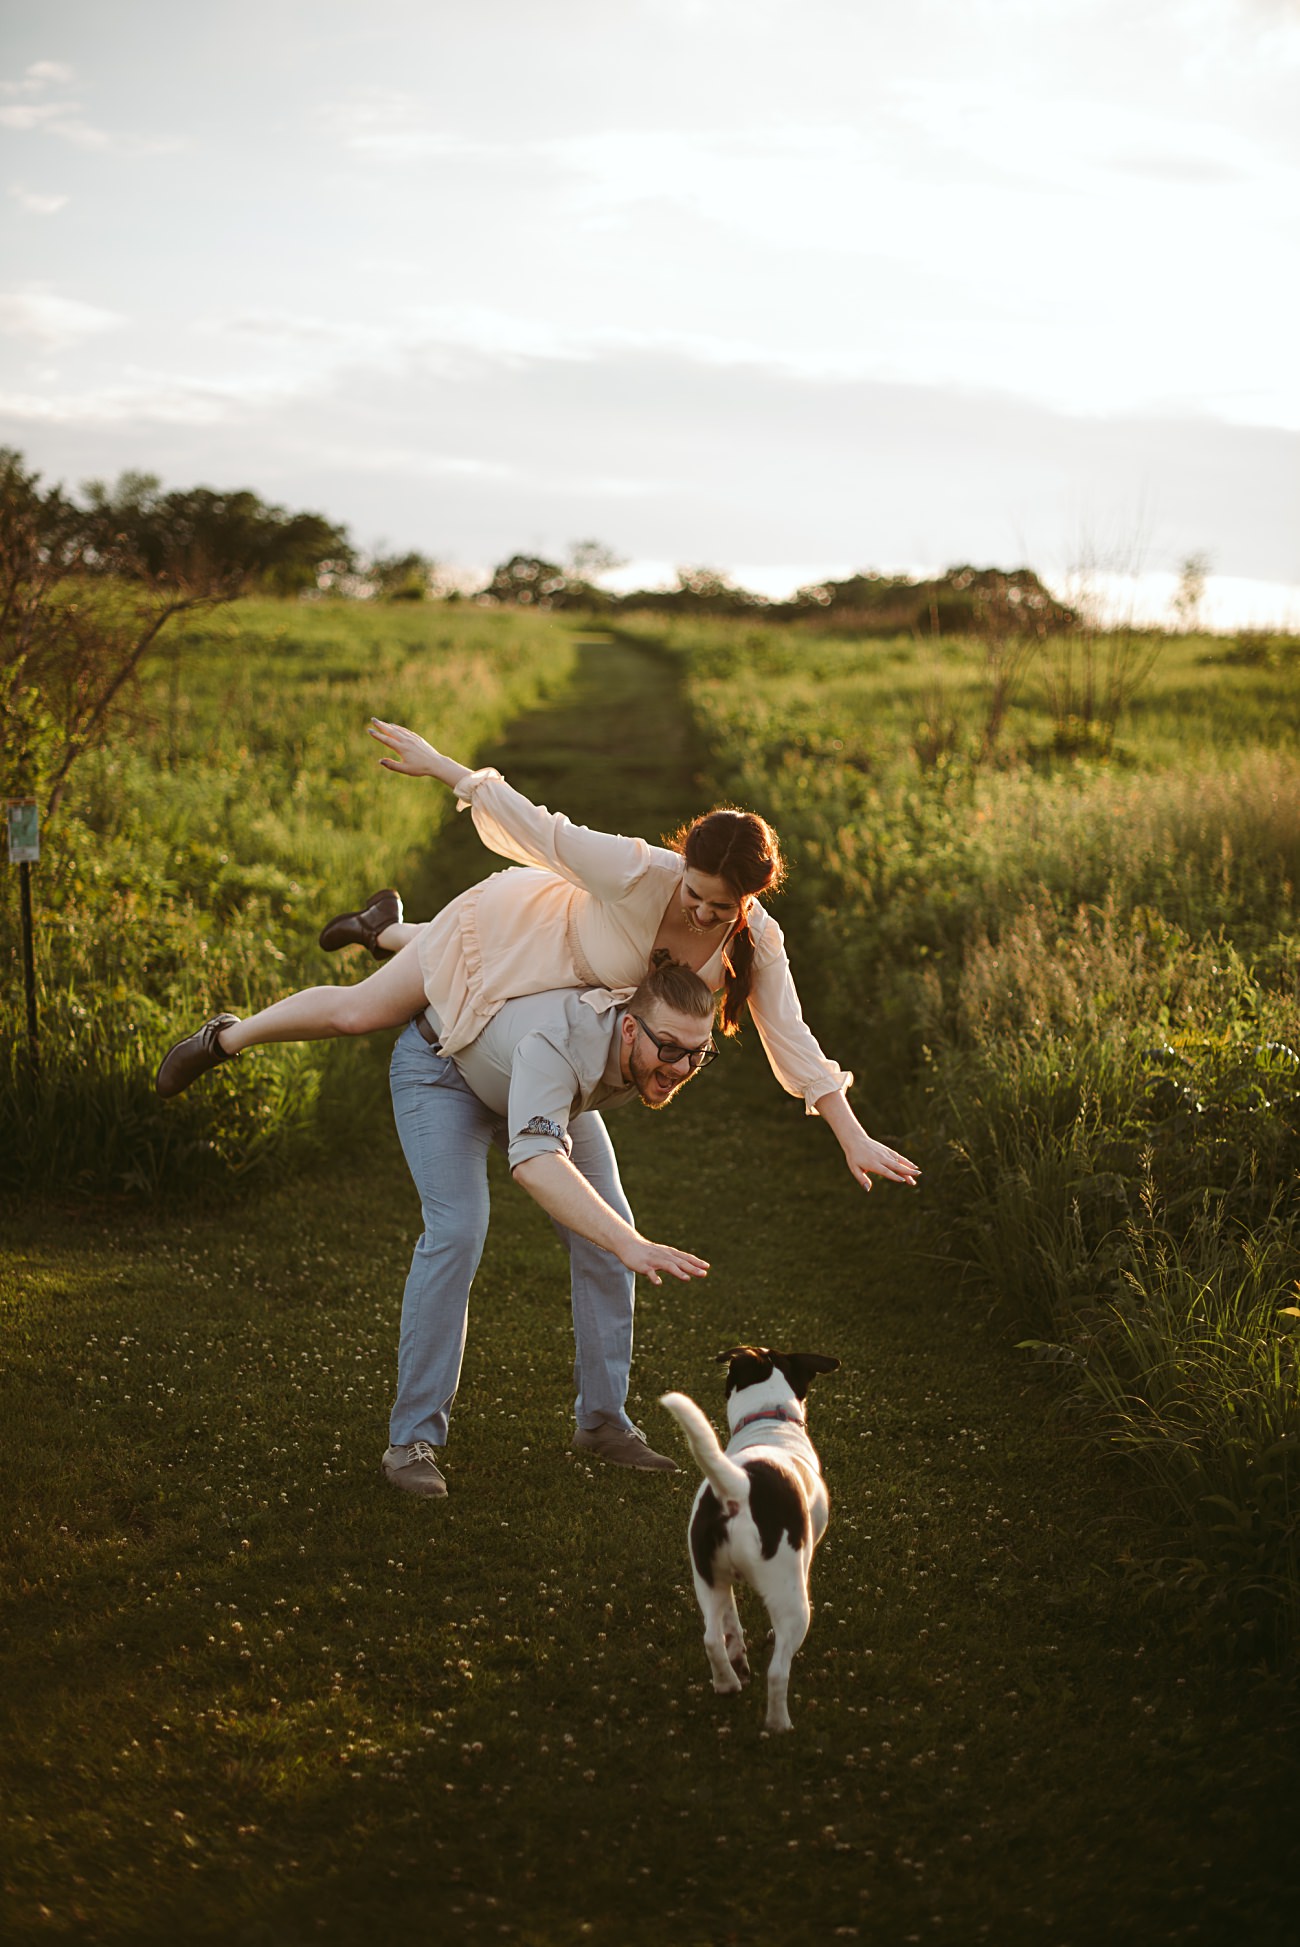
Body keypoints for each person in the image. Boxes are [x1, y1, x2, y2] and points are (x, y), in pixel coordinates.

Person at [154, 718, 920, 1197]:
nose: (703, 912)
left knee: (424, 965)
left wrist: (852, 1134)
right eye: (696, 892)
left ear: (754, 895)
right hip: (512, 931)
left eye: (723, 906)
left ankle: (385, 926)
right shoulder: (635, 869)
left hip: (549, 987)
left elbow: (793, 1039)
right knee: (364, 1011)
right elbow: (539, 829)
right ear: (680, 861)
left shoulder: (757, 941)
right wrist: (446, 768)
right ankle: (225, 1035)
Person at [381, 957, 716, 1497]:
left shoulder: (648, 1037)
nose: (681, 1066)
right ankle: (410, 1441)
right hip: (445, 1075)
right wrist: (630, 1245)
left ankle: (604, 1423)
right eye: (671, 1049)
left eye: (698, 1053)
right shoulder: (564, 1045)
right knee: (458, 1231)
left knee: (608, 1232)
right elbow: (536, 1165)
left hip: (536, 1086)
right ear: (630, 1029)